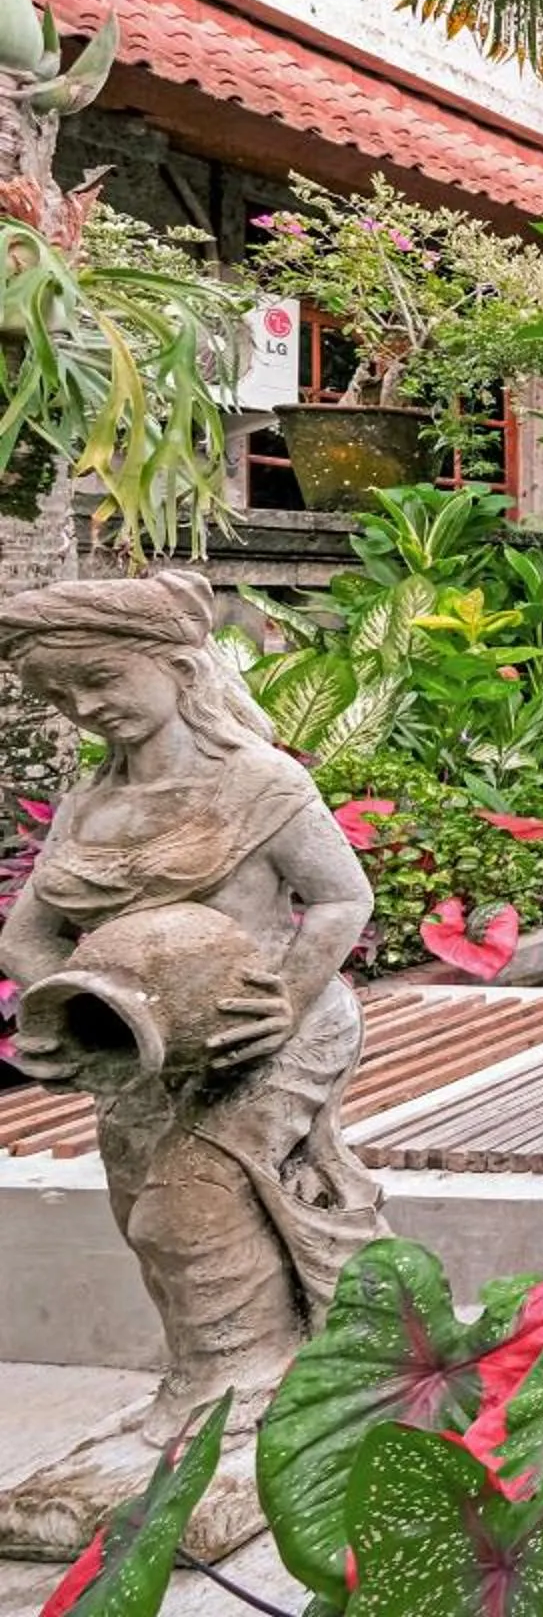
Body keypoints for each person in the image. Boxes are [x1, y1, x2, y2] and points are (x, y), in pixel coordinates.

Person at [0, 572, 384, 1441]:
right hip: (140, 1047)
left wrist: (283, 998)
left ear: (177, 666)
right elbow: (28, 937)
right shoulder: (91, 805)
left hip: (267, 1033)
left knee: (187, 1206)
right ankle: (217, 1367)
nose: (84, 707)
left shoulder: (259, 784)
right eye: (59, 693)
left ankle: (245, 1382)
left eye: (101, 679)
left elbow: (340, 899)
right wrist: (52, 1014)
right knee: (140, 1213)